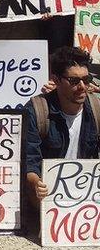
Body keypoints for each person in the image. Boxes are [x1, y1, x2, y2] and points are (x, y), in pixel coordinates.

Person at [23, 47, 100, 207]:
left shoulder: (96, 108)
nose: (82, 87)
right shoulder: (37, 110)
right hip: (48, 198)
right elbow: (30, 162)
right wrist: (37, 183)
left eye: (86, 80)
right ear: (56, 80)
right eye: (74, 81)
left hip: (86, 196)